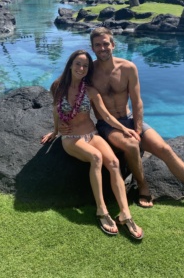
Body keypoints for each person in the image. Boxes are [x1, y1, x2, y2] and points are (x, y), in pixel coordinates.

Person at [86, 27, 184, 223]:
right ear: (92, 47)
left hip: (130, 119)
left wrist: (137, 127)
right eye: (98, 45)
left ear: (113, 44)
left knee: (165, 149)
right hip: (107, 125)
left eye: (105, 44)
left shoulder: (127, 68)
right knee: (131, 145)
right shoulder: (88, 72)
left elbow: (137, 102)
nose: (102, 48)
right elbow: (66, 89)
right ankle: (143, 185)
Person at [41, 49, 144, 239]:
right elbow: (56, 110)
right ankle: (101, 210)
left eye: (85, 66)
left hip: (91, 133)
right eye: (78, 64)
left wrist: (124, 129)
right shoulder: (57, 86)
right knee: (96, 157)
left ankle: (125, 213)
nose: (81, 68)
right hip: (71, 138)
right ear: (70, 64)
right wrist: (55, 131)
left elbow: (105, 115)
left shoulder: (89, 90)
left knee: (113, 163)